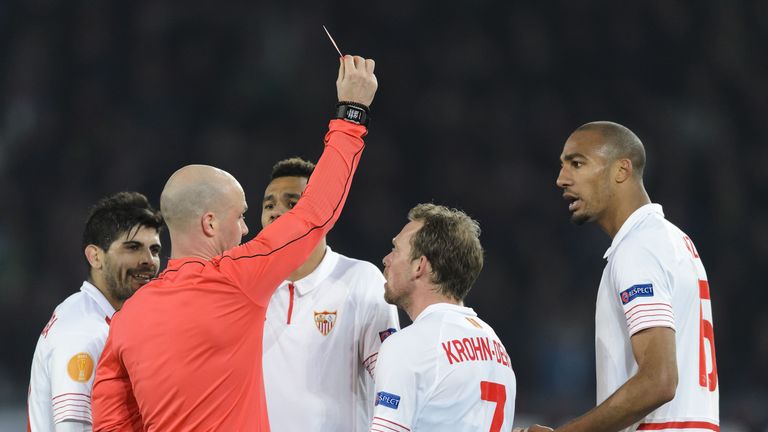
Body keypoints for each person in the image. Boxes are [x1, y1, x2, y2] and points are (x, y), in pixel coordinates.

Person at [91, 54, 379, 432]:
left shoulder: (126, 318)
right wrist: (352, 113)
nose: (245, 229)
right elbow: (315, 213)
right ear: (209, 223)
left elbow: (110, 424)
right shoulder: (234, 279)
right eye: (240, 216)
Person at [519, 121, 719, 432]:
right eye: (562, 166)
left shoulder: (639, 247)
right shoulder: (671, 240)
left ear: (621, 170)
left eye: (577, 163)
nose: (561, 179)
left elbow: (659, 381)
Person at [261, 157, 400, 431]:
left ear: (322, 211)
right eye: (269, 205)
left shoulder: (360, 279)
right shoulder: (249, 289)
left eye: (291, 203)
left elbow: (392, 381)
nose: (276, 212)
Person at [370, 203, 516, 432]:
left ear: (420, 266)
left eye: (395, 249)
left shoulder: (408, 345)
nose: (386, 259)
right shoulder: (496, 347)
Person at [27, 192, 163, 432]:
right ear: (95, 257)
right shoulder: (84, 332)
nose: (149, 261)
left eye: (154, 250)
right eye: (133, 248)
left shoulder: (102, 320)